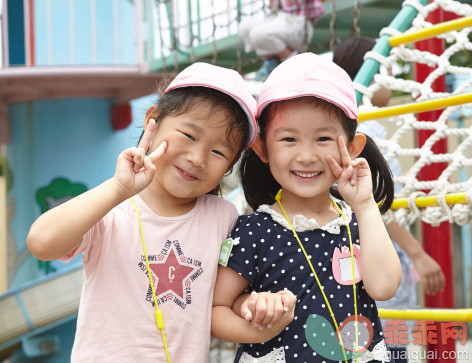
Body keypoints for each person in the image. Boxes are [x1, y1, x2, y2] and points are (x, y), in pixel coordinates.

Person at [27, 62, 267, 362]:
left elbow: (222, 300)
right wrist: (117, 189)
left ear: (230, 165)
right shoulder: (112, 207)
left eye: (219, 152)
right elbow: (40, 242)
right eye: (189, 135)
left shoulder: (224, 216)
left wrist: (252, 305)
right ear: (153, 120)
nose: (197, 158)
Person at [212, 53, 402, 362]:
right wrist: (255, 320)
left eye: (323, 138)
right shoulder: (253, 231)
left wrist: (365, 204)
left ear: (352, 147)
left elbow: (384, 287)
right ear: (262, 147)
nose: (306, 155)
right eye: (288, 139)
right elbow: (217, 309)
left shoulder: (357, 219)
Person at [333, 36, 446, 363]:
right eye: (387, 67)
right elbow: (378, 205)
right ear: (368, 70)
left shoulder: (346, 124)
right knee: (387, 348)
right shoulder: (370, 132)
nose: (392, 75)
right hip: (377, 260)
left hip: (348, 263)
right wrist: (418, 254)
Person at [239, 0, 326, 81]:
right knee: (244, 28)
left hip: (298, 21)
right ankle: (271, 62)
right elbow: (272, 6)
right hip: (279, 17)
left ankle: (293, 65)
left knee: (258, 34)